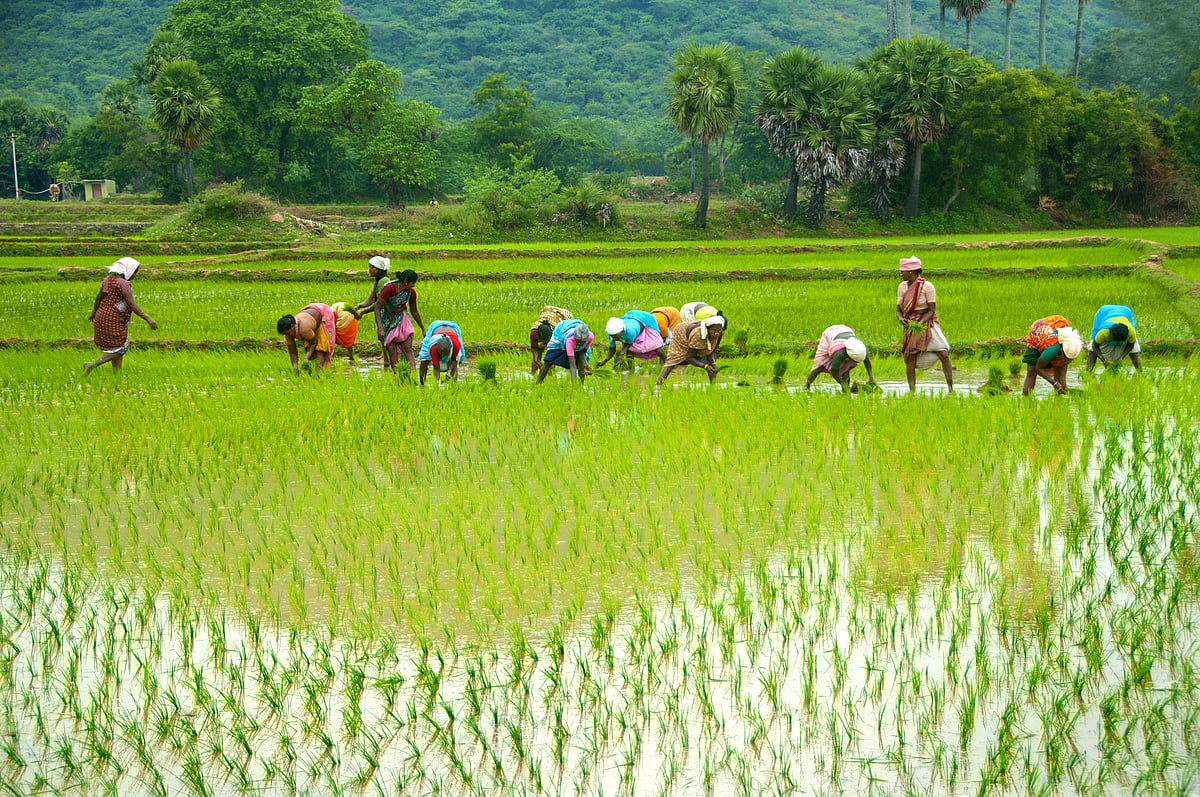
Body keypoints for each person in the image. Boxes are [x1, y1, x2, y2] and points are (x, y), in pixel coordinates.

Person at [84, 257, 157, 374]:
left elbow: (99, 297)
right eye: (135, 272)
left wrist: (93, 312)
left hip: (102, 315)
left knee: (118, 346)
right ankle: (92, 364)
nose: (135, 275)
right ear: (129, 270)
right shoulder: (124, 284)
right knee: (121, 349)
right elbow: (131, 304)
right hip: (113, 319)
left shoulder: (107, 280)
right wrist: (148, 318)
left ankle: (116, 375)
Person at [896, 256, 953, 393]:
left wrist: (921, 323)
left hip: (927, 322)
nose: (900, 274)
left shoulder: (927, 286)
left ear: (911, 272)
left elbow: (931, 310)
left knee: (943, 353)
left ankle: (951, 389)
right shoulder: (902, 287)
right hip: (910, 324)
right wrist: (900, 318)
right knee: (911, 357)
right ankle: (912, 391)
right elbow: (898, 309)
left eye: (902, 272)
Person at [374, 269, 425, 371]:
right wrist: (380, 328)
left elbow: (414, 311)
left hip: (402, 319)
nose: (413, 285)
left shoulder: (411, 293)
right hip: (387, 320)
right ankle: (397, 375)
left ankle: (412, 374)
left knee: (407, 348)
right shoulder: (389, 289)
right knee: (391, 349)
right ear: (405, 282)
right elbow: (377, 307)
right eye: (412, 283)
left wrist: (423, 328)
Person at [656, 315, 726, 386]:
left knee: (712, 368)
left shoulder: (719, 333)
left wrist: (713, 363)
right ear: (707, 329)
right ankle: (658, 385)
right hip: (681, 334)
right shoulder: (698, 335)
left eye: (719, 330)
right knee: (672, 361)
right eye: (713, 330)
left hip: (693, 335)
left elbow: (712, 349)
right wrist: (705, 366)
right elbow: (689, 357)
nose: (716, 333)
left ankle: (713, 386)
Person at [1021, 315, 1084, 396]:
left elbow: (1062, 373)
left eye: (1068, 359)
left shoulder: (1073, 346)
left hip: (1054, 329)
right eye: (1065, 357)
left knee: (1061, 382)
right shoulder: (1053, 349)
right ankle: (1025, 400)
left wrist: (1062, 384)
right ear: (1061, 350)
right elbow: (1038, 367)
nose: (1066, 360)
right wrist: (1053, 383)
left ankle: (1058, 404)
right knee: (1031, 371)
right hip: (1037, 332)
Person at [805, 325, 875, 392]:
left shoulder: (862, 350)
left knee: (846, 368)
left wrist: (871, 377)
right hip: (830, 334)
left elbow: (867, 362)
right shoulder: (840, 354)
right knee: (820, 365)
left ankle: (845, 392)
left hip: (846, 331)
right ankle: (807, 386)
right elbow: (834, 372)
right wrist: (842, 384)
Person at [277, 303, 336, 373]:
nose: (287, 336)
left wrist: (306, 358)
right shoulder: (288, 334)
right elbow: (292, 352)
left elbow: (314, 342)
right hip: (309, 318)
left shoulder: (304, 328)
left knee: (320, 350)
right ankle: (311, 373)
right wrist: (295, 368)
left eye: (287, 333)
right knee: (308, 349)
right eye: (285, 334)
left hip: (322, 314)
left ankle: (319, 374)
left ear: (292, 326)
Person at [596, 310, 666, 368]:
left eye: (615, 336)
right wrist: (604, 361)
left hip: (646, 320)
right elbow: (612, 349)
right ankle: (631, 368)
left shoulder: (631, 331)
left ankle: (668, 363)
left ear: (621, 332)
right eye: (612, 336)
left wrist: (621, 354)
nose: (613, 338)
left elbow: (628, 343)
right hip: (630, 317)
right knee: (630, 351)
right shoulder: (611, 334)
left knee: (656, 345)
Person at [1086, 304, 1142, 372]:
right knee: (1092, 351)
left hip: (1125, 312)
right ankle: (1088, 371)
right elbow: (1094, 346)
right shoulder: (1104, 332)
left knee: (1134, 352)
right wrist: (1104, 360)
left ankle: (1140, 372)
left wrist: (1121, 358)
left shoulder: (1131, 332)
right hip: (1103, 312)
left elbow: (1131, 345)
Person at [529, 305, 574, 375]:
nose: (544, 343)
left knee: (551, 358)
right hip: (547, 311)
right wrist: (536, 359)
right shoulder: (534, 333)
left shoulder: (557, 333)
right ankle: (532, 375)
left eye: (546, 341)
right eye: (541, 341)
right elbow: (534, 348)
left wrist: (550, 362)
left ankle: (550, 376)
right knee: (538, 353)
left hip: (563, 315)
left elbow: (556, 351)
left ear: (550, 336)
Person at [417, 320, 465, 385]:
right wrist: (437, 382)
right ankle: (422, 385)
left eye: (446, 353)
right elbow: (436, 367)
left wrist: (449, 373)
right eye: (441, 354)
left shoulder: (455, 345)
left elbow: (453, 360)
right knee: (424, 359)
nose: (443, 356)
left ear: (450, 348)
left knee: (455, 365)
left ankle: (454, 387)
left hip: (452, 329)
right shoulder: (433, 348)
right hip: (435, 327)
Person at [352, 255, 391, 321]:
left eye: (371, 267)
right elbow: (371, 299)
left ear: (377, 268)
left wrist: (362, 312)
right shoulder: (379, 280)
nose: (369, 270)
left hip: (387, 316)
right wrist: (359, 306)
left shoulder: (384, 281)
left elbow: (379, 303)